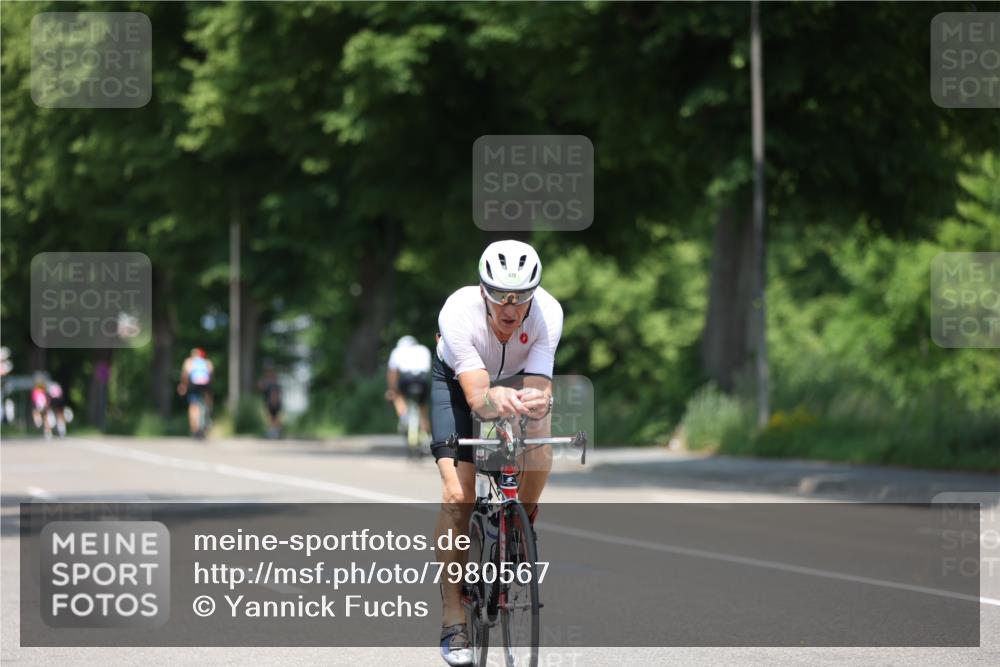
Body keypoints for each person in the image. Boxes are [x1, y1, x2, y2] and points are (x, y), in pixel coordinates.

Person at [430, 240, 562, 666]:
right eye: (501, 297)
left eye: (522, 298)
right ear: (483, 291)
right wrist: (495, 396)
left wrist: (539, 402)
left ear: (534, 295)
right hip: (459, 383)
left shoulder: (549, 314)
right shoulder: (457, 312)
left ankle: (523, 519)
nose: (511, 309)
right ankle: (454, 618)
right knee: (458, 495)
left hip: (517, 379)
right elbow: (477, 398)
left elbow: (540, 388)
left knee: (540, 432)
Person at [385, 335, 432, 439]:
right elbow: (428, 369)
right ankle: (425, 436)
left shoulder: (397, 351)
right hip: (422, 379)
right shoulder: (423, 349)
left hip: (406, 379)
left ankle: (404, 416)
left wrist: (391, 390)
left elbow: (392, 373)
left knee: (396, 395)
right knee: (423, 407)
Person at [178, 348, 214, 438]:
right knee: (206, 404)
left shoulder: (189, 362)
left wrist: (183, 385)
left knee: (193, 407)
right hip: (205, 386)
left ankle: (195, 429)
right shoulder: (207, 362)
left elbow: (185, 375)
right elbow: (211, 375)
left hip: (194, 386)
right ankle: (206, 419)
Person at [257, 363, 283, 439]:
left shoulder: (273, 379)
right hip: (269, 401)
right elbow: (260, 387)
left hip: (273, 401)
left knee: (274, 417)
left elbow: (276, 392)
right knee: (271, 417)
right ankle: (274, 431)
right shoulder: (266, 379)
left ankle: (275, 432)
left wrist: (274, 401)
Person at [30, 375, 52, 440]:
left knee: (36, 412)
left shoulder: (36, 391)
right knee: (45, 418)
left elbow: (34, 399)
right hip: (43, 404)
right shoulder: (43, 390)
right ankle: (47, 432)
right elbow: (47, 398)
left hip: (40, 404)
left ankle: (38, 421)